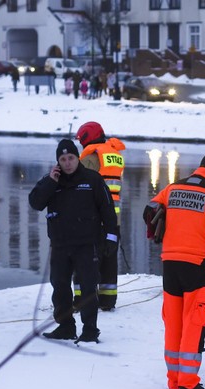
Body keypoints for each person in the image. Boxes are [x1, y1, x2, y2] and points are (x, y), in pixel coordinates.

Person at [143, 152, 205, 389]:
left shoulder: (173, 188)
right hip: (197, 264)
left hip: (170, 263)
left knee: (173, 322)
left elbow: (149, 211)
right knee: (195, 323)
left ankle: (174, 380)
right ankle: (189, 384)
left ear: (200, 166)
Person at [28, 139, 118, 343]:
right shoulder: (52, 181)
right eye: (63, 159)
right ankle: (66, 326)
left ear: (78, 158)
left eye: (71, 158)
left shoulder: (92, 180)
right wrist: (50, 182)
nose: (68, 163)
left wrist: (111, 237)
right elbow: (35, 203)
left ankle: (90, 330)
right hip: (60, 244)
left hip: (87, 244)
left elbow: (108, 211)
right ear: (58, 161)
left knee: (87, 288)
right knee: (59, 286)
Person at [75, 121, 127, 311]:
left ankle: (82, 300)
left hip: (94, 218)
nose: (81, 144)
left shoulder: (91, 156)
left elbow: (78, 183)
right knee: (109, 260)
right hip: (115, 218)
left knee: (85, 258)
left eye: (82, 140)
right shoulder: (115, 154)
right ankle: (108, 299)